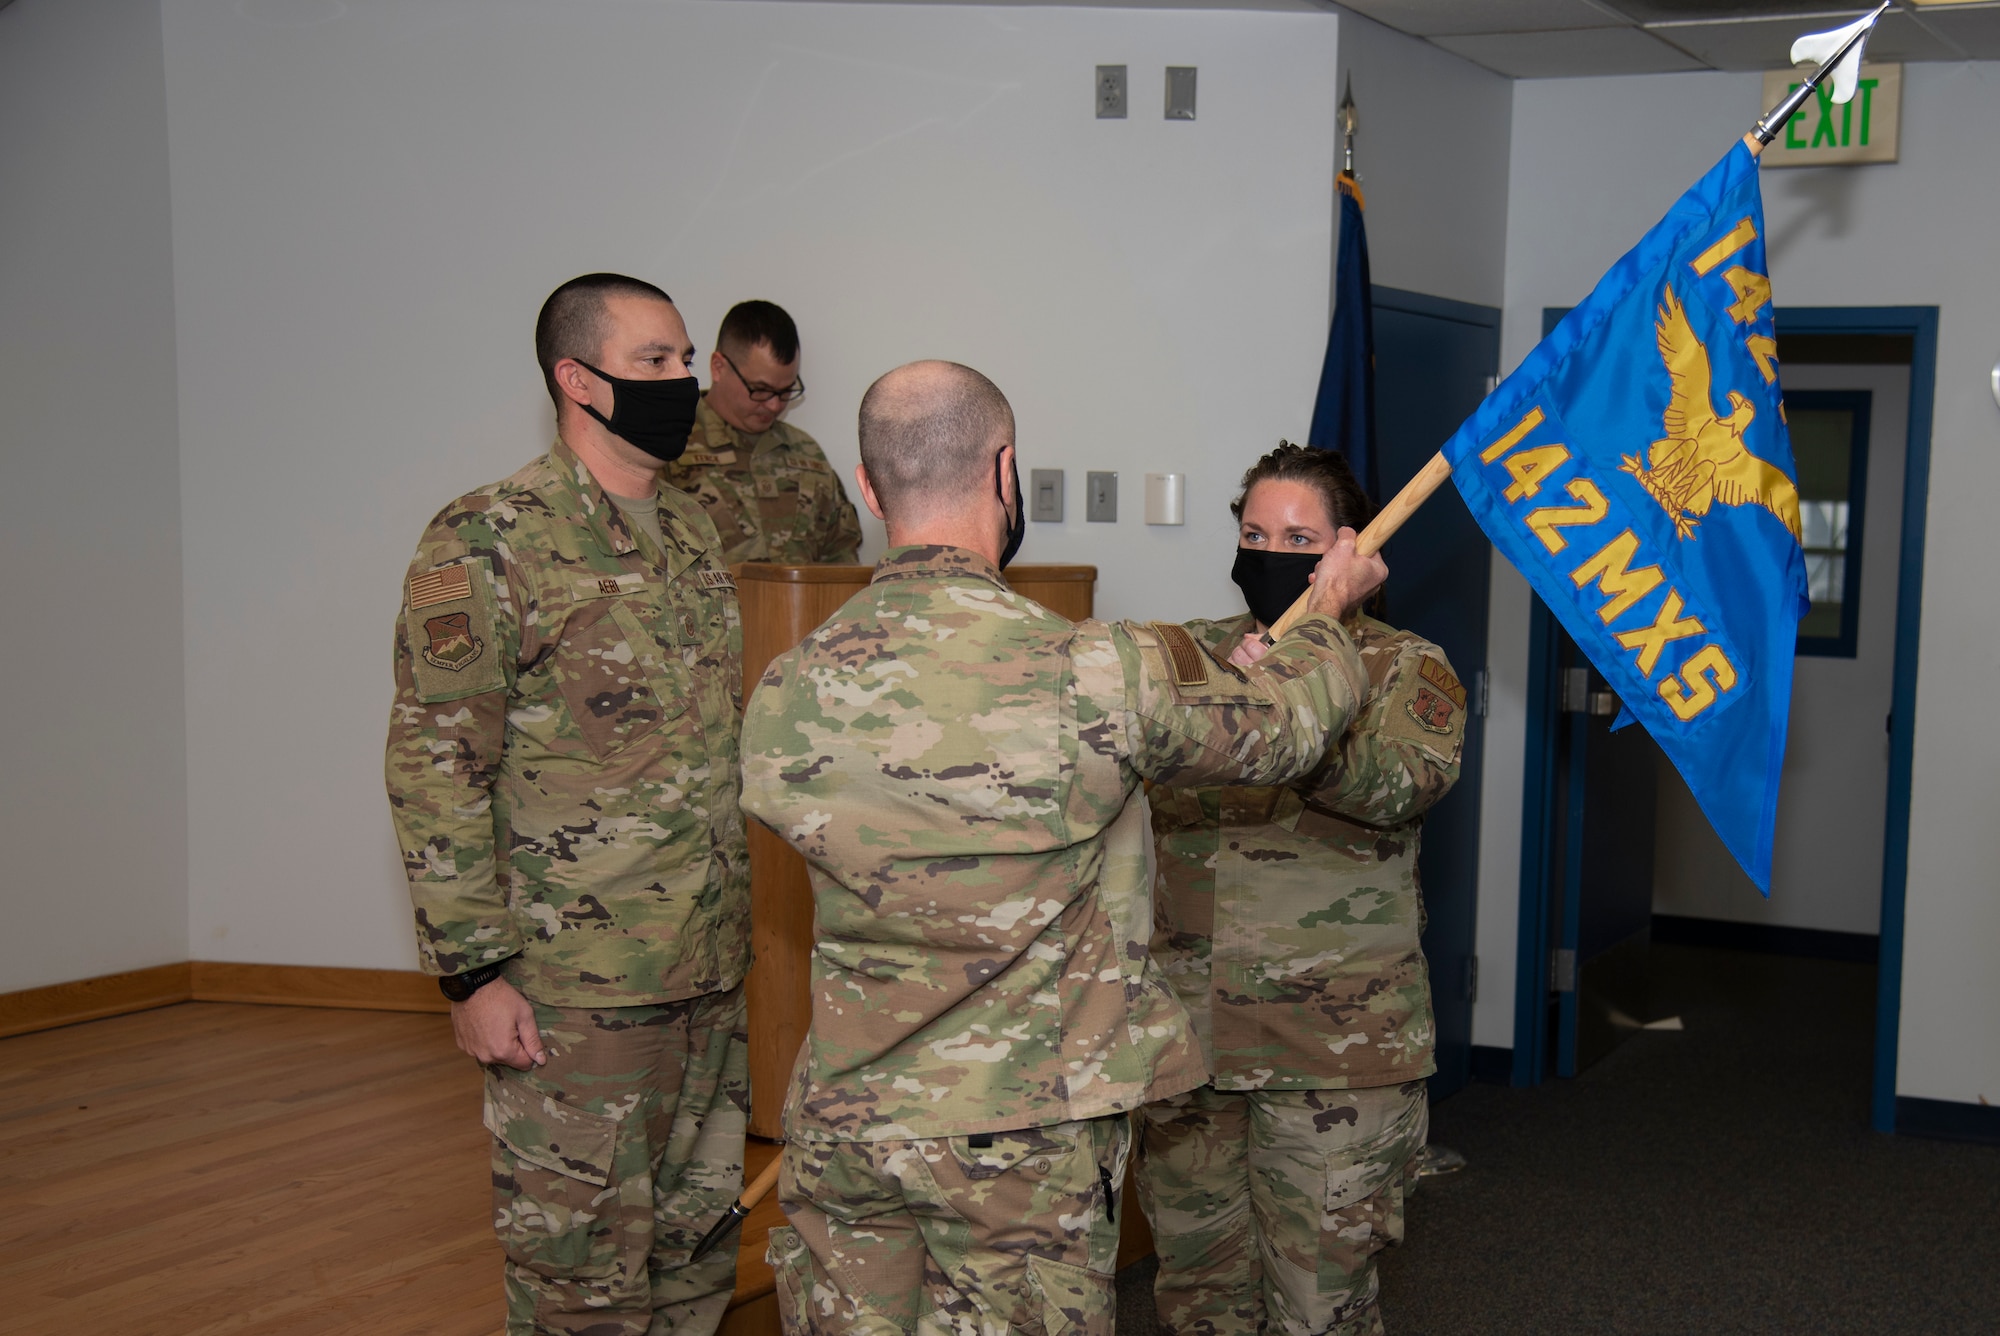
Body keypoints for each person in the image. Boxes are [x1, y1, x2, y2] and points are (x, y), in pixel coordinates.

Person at [736, 362, 1388, 1336]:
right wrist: (1325, 618)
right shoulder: (1090, 667)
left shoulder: (789, 685)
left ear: (868, 490)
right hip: (1017, 1136)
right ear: (1007, 474)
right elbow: (1285, 733)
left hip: (848, 1116)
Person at [384, 273, 751, 1336]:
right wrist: (472, 971)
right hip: (575, 992)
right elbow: (434, 760)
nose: (682, 381)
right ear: (574, 378)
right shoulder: (487, 538)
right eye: (654, 362)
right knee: (579, 1277)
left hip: (708, 969)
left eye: (685, 360)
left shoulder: (690, 530)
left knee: (692, 1259)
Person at [1137, 442, 1464, 1336]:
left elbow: (1397, 786)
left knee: (1319, 1308)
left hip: (1334, 1052)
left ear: (1347, 554)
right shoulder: (1189, 661)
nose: (1272, 553)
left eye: (1299, 536)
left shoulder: (1406, 667)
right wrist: (1226, 699)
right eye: (1253, 532)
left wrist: (1287, 703)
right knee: (1199, 1299)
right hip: (1191, 1043)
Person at [662, 299, 863, 564]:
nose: (774, 405)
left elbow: (841, 558)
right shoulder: (669, 442)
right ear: (718, 368)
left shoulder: (807, 453)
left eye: (785, 391)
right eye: (761, 390)